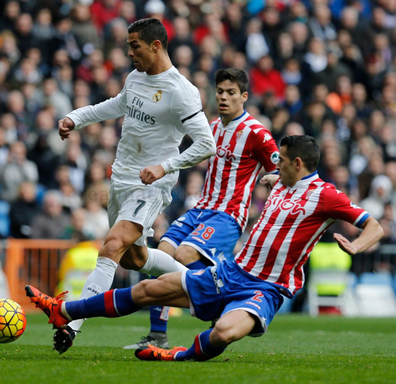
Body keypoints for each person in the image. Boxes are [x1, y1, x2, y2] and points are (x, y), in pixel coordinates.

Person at [26, 135, 383, 360]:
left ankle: (178, 356)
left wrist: (356, 245)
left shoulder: (326, 195)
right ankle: (66, 311)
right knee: (149, 289)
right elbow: (280, 179)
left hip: (265, 288)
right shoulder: (283, 182)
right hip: (231, 273)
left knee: (225, 333)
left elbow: (374, 225)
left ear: (298, 163)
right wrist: (275, 175)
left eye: (281, 160)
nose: (274, 165)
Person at [55, 18, 216, 345]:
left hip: (153, 184)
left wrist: (165, 167)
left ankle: (72, 323)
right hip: (123, 179)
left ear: (156, 45)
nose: (129, 53)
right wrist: (78, 117)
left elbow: (206, 143)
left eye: (135, 46)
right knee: (135, 259)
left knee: (112, 245)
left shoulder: (181, 91)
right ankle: (204, 287)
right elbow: (117, 105)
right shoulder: (136, 77)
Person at [124, 67, 280, 350]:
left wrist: (272, 177)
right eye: (220, 91)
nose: (223, 97)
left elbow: (280, 172)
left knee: (184, 254)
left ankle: (224, 301)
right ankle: (158, 334)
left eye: (231, 93)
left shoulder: (257, 133)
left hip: (228, 213)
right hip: (201, 208)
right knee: (162, 256)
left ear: (243, 96)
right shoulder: (211, 127)